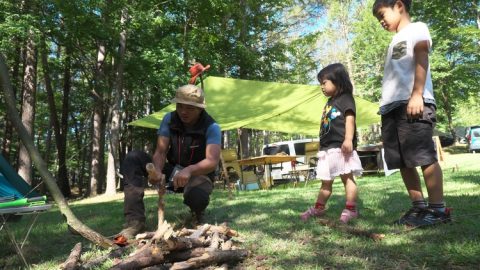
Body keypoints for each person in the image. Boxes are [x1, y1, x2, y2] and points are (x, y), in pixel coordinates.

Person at [372, 0, 451, 227]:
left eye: (382, 15)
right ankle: (418, 208)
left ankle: (438, 210)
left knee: (423, 156)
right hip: (391, 107)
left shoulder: (417, 28)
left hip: (413, 102)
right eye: (378, 19)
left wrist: (417, 94)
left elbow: (421, 58)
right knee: (403, 161)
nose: (381, 21)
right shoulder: (394, 40)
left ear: (399, 5)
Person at [118, 84, 221, 239]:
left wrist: (190, 170)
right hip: (173, 171)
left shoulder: (212, 126)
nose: (183, 112)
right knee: (134, 158)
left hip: (198, 174)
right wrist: (157, 171)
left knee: (197, 197)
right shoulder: (169, 119)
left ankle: (197, 214)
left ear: (200, 108)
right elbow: (160, 151)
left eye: (190, 108)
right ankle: (134, 222)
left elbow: (212, 161)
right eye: (180, 106)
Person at [300, 63, 363, 224]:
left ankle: (351, 209)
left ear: (338, 81)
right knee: (325, 182)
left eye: (324, 82)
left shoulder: (346, 98)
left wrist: (348, 139)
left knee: (347, 178)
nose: (321, 86)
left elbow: (350, 119)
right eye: (320, 83)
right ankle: (319, 208)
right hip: (328, 149)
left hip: (342, 147)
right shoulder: (329, 102)